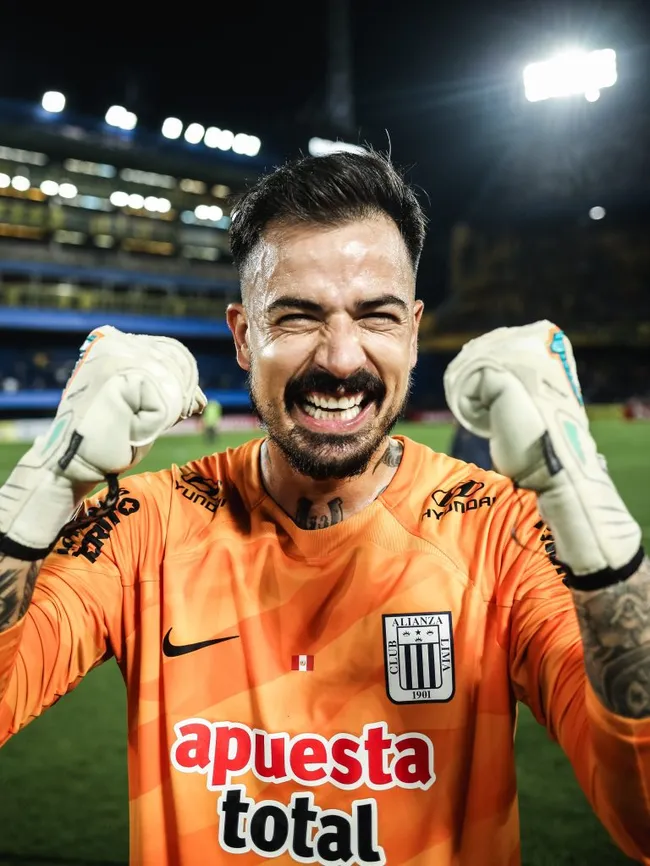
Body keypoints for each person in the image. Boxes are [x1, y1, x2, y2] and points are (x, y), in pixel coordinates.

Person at [0, 151, 648, 866]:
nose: (341, 358)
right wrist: (43, 485)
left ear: (412, 329)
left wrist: (592, 521)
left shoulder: (498, 531)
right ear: (245, 337)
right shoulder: (147, 526)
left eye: (376, 315)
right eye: (299, 316)